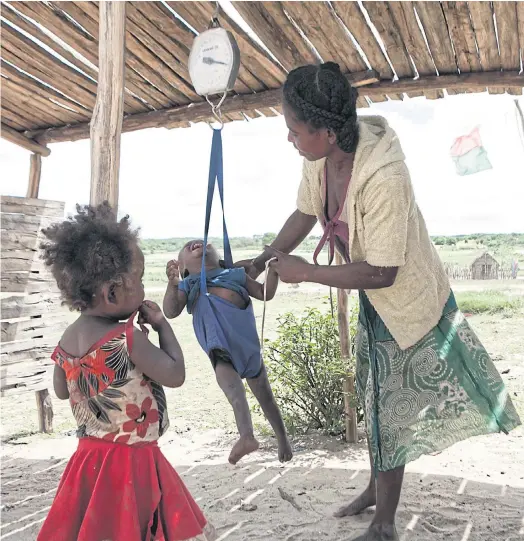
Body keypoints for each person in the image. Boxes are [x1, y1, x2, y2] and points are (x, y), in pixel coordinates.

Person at [237, 62, 521, 541]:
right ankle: (375, 488)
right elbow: (306, 211)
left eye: (294, 130)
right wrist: (268, 253)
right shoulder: (319, 159)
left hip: (405, 298)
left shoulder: (385, 176)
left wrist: (306, 272)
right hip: (374, 296)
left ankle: (385, 523)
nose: (290, 139)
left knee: (391, 410)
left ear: (327, 131)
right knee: (374, 396)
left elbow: (383, 271)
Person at [37, 203, 215, 541]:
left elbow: (62, 392)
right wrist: (162, 327)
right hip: (132, 461)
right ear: (113, 292)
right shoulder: (126, 339)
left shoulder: (66, 339)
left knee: (100, 527)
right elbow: (175, 375)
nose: (144, 288)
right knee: (134, 527)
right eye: (141, 279)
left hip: (90, 459)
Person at [163, 239, 292, 465]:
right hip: (219, 349)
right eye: (187, 247)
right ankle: (246, 435)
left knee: (266, 396)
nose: (195, 242)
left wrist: (273, 272)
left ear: (220, 259)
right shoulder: (189, 284)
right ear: (183, 269)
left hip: (247, 345)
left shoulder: (236, 274)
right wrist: (173, 285)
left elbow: (264, 293)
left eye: (204, 242)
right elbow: (171, 311)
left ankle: (283, 438)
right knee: (234, 391)